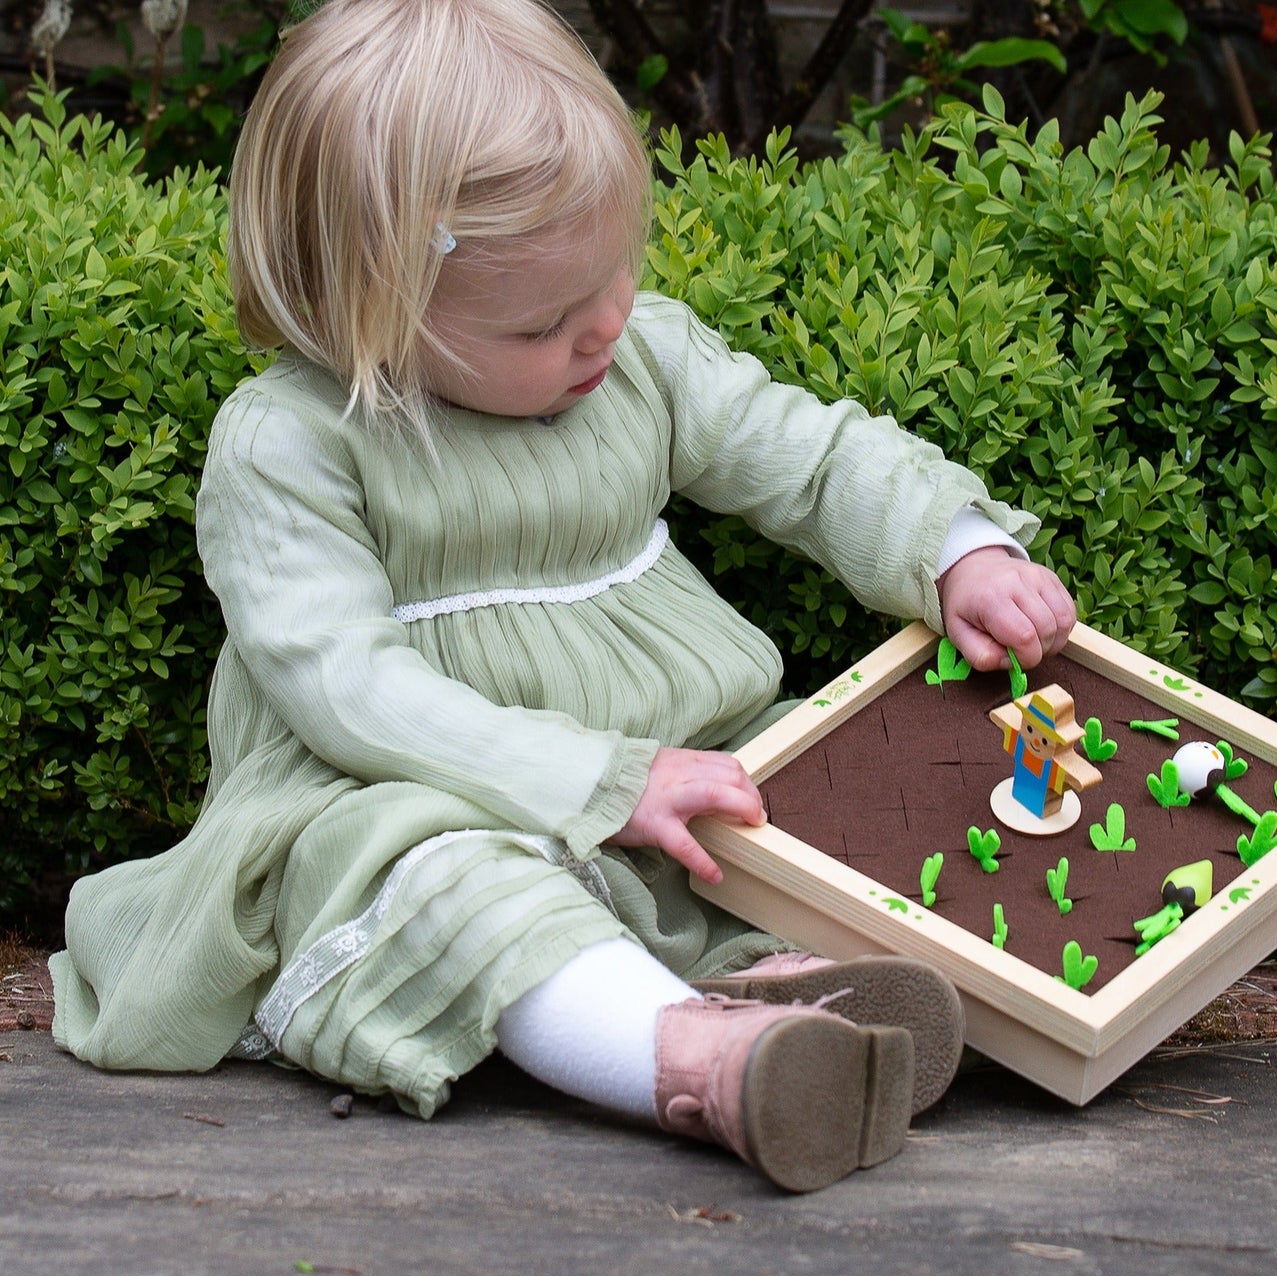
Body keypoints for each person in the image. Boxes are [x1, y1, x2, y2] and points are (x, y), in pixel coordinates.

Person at [48, 0, 1076, 1193]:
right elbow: (346, 687)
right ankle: (691, 1058)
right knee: (459, 887)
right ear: (361, 307)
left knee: (793, 800)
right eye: (543, 320)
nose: (603, 328)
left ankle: (783, 990)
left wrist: (951, 549)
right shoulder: (292, 444)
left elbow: (806, 454)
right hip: (402, 787)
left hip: (668, 755)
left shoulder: (637, 356)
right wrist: (590, 779)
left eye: (614, 273)